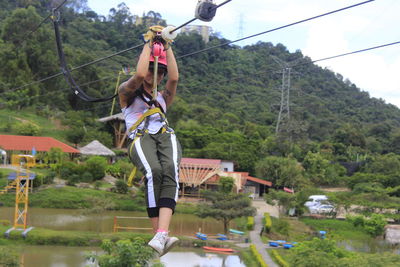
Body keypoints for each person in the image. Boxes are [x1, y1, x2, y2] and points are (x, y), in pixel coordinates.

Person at [118, 26, 181, 256]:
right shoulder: (127, 94)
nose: (156, 74)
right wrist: (148, 45)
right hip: (140, 138)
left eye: (159, 71)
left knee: (170, 170)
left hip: (164, 135)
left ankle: (162, 234)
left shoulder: (164, 98)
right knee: (154, 171)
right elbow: (137, 75)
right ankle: (159, 233)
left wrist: (167, 46)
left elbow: (174, 77)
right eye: (152, 70)